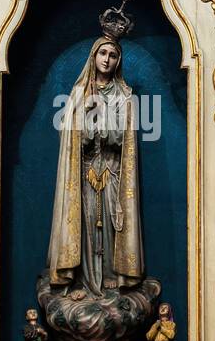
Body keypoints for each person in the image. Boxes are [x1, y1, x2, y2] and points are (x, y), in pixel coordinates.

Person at [47, 32, 143, 298]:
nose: (107, 59)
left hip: (112, 171)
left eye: (113, 55)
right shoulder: (79, 93)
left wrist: (106, 117)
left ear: (118, 61)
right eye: (103, 53)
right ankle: (85, 281)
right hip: (85, 171)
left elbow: (123, 139)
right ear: (93, 56)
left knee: (114, 222)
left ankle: (112, 275)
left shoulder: (125, 95)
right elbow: (68, 135)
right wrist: (88, 114)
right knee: (87, 221)